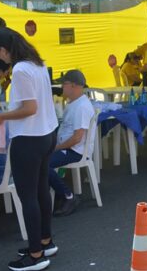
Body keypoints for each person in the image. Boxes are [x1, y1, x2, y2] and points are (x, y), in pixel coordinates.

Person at [0, 27, 58, 271]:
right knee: (40, 191)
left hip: (28, 138)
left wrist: (1, 117)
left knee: (27, 196)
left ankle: (36, 253)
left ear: (4, 49)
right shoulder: (37, 64)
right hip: (47, 134)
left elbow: (29, 108)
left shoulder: (19, 69)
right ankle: (44, 242)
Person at [48, 70, 94, 217]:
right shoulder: (74, 103)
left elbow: (77, 138)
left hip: (76, 151)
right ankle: (58, 196)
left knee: (42, 163)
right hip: (70, 147)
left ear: (74, 85)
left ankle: (68, 196)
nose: (62, 86)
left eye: (64, 84)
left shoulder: (81, 107)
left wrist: (56, 147)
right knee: (39, 159)